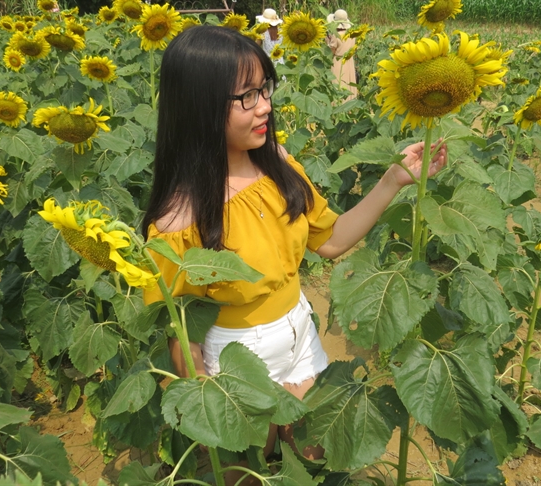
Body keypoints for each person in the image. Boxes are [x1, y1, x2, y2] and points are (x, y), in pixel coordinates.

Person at [142, 25, 446, 484]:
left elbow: (332, 240)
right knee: (250, 467)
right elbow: (178, 325)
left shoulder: (279, 165)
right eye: (245, 96)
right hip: (238, 357)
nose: (264, 105)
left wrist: (393, 181)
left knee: (314, 449)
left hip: (301, 334)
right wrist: (206, 390)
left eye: (264, 88)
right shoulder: (177, 219)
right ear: (198, 107)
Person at [326, 9, 357, 99]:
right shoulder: (352, 35)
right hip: (349, 61)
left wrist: (328, 40)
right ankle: (350, 107)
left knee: (338, 83)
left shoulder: (336, 35)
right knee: (349, 83)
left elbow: (331, 51)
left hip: (338, 61)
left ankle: (338, 106)